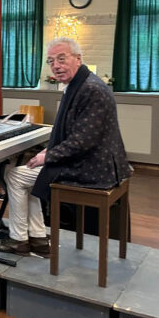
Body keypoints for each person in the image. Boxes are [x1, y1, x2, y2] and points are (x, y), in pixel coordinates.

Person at [31, 37, 131, 198]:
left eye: (61, 59)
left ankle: (29, 225)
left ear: (78, 59)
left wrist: (49, 156)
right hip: (92, 161)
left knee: (15, 176)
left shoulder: (91, 89)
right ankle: (39, 223)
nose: (55, 66)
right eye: (50, 61)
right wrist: (50, 150)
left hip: (93, 169)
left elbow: (82, 141)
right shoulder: (81, 83)